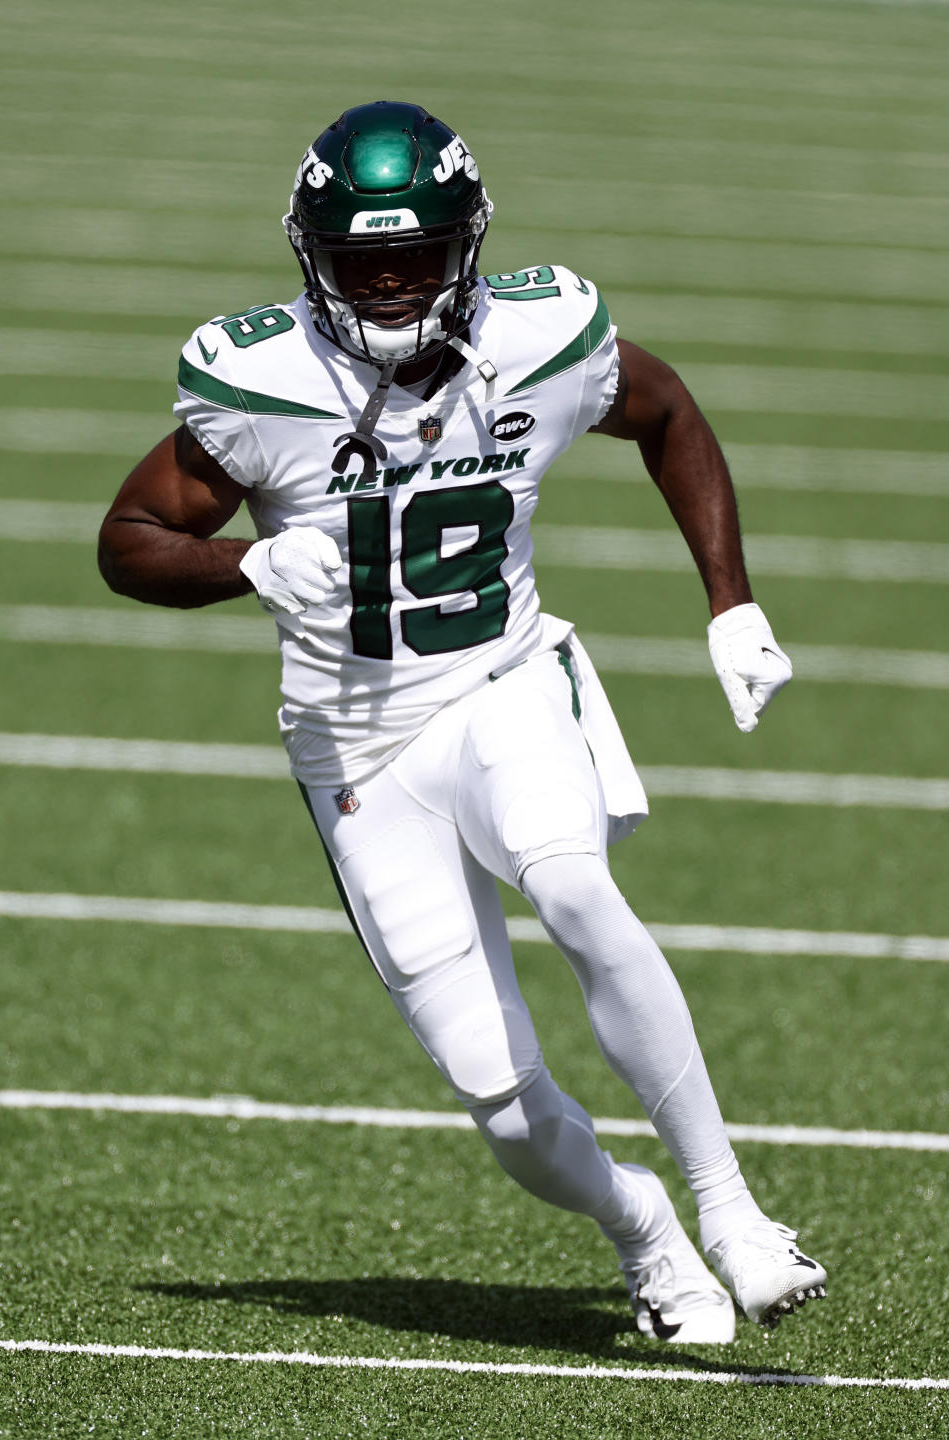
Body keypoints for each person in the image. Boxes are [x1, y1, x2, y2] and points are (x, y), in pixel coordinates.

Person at [98, 100, 827, 1343]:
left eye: (415, 259)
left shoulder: (543, 335)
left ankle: (732, 1208)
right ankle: (646, 1232)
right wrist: (243, 573)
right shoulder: (261, 380)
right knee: (502, 1101)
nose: (388, 288)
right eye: (360, 264)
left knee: (573, 883)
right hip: (358, 753)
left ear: (467, 244)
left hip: (501, 683)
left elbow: (666, 413)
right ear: (309, 260)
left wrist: (730, 604)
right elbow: (127, 541)